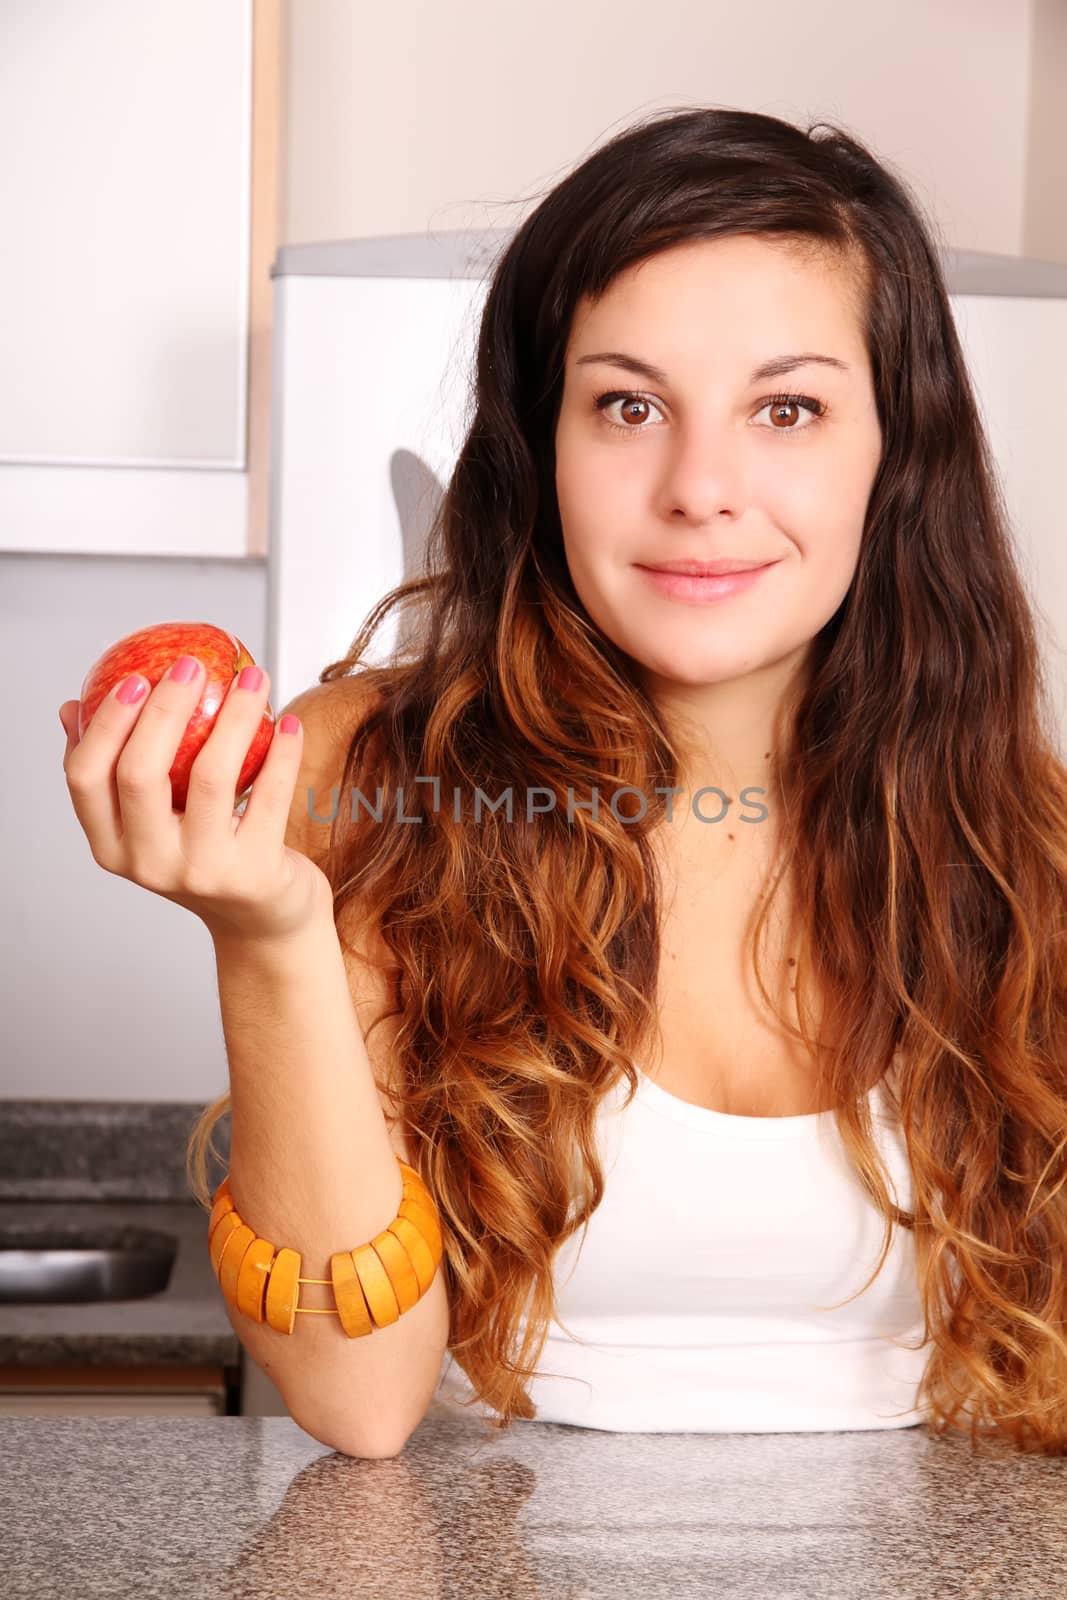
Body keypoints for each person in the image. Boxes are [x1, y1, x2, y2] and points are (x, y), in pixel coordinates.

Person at [59, 106, 1067, 1458]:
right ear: (541, 446)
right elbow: (359, 1404)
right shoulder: (366, 776)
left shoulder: (1024, 844)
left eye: (788, 408)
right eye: (629, 405)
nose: (701, 487)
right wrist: (269, 931)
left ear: (895, 457)